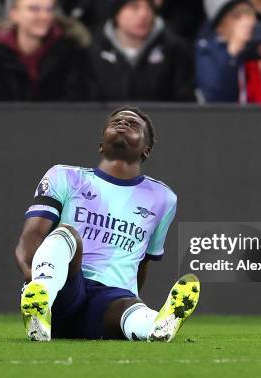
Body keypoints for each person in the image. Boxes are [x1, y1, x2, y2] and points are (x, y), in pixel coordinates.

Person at [16, 107, 200, 342]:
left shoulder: (163, 198)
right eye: (116, 120)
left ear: (146, 150)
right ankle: (38, 307)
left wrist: (130, 296)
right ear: (101, 144)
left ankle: (157, 326)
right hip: (64, 291)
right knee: (67, 234)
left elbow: (142, 262)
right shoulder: (64, 176)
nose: (123, 123)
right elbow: (29, 240)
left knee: (131, 307)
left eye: (133, 124)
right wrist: (34, 280)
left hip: (108, 302)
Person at [0, 0, 90, 101]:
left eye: (49, 9)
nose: (44, 16)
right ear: (13, 13)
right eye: (34, 9)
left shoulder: (70, 52)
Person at [87, 0, 195, 102]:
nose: (144, 14)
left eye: (149, 7)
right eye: (134, 7)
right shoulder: (92, 51)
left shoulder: (175, 49)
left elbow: (186, 104)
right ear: (117, 12)